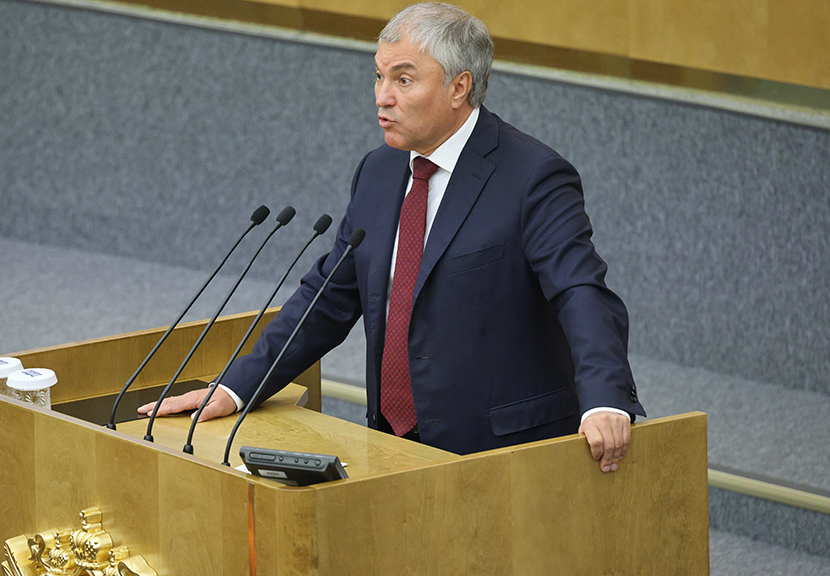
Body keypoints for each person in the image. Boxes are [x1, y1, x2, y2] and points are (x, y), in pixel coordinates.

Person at [140, 2, 645, 472]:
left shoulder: (532, 176)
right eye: (379, 77)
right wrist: (234, 388)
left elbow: (580, 291)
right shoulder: (379, 171)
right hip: (392, 442)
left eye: (404, 79)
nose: (383, 96)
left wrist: (605, 398)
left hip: (500, 451)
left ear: (459, 88)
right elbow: (328, 299)